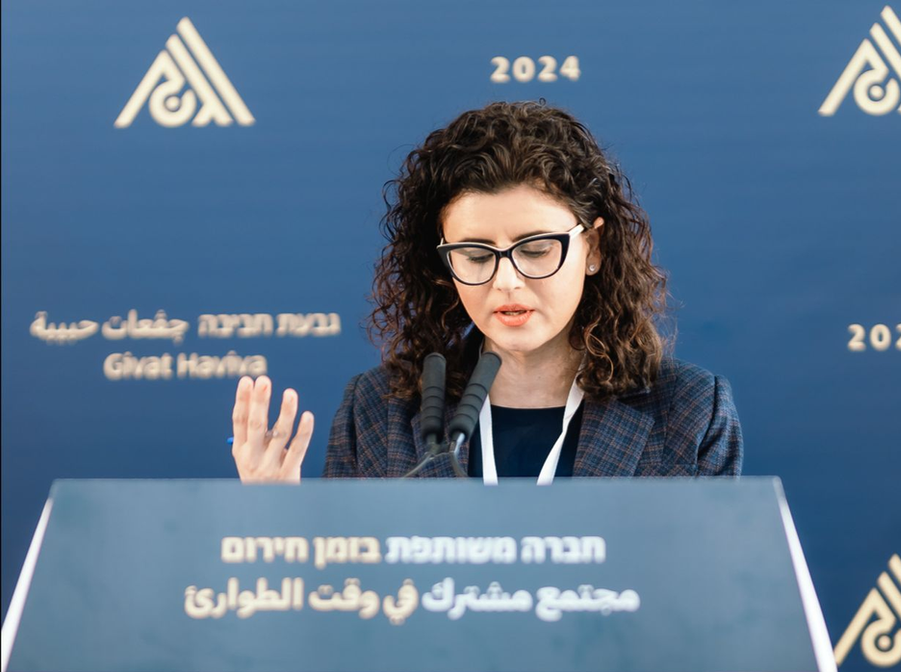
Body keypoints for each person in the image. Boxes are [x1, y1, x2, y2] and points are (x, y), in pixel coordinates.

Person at [231, 100, 742, 483]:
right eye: (476, 255)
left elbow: (712, 606)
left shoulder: (688, 410)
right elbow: (349, 604)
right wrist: (280, 528)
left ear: (594, 247)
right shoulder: (380, 408)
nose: (506, 281)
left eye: (536, 249)